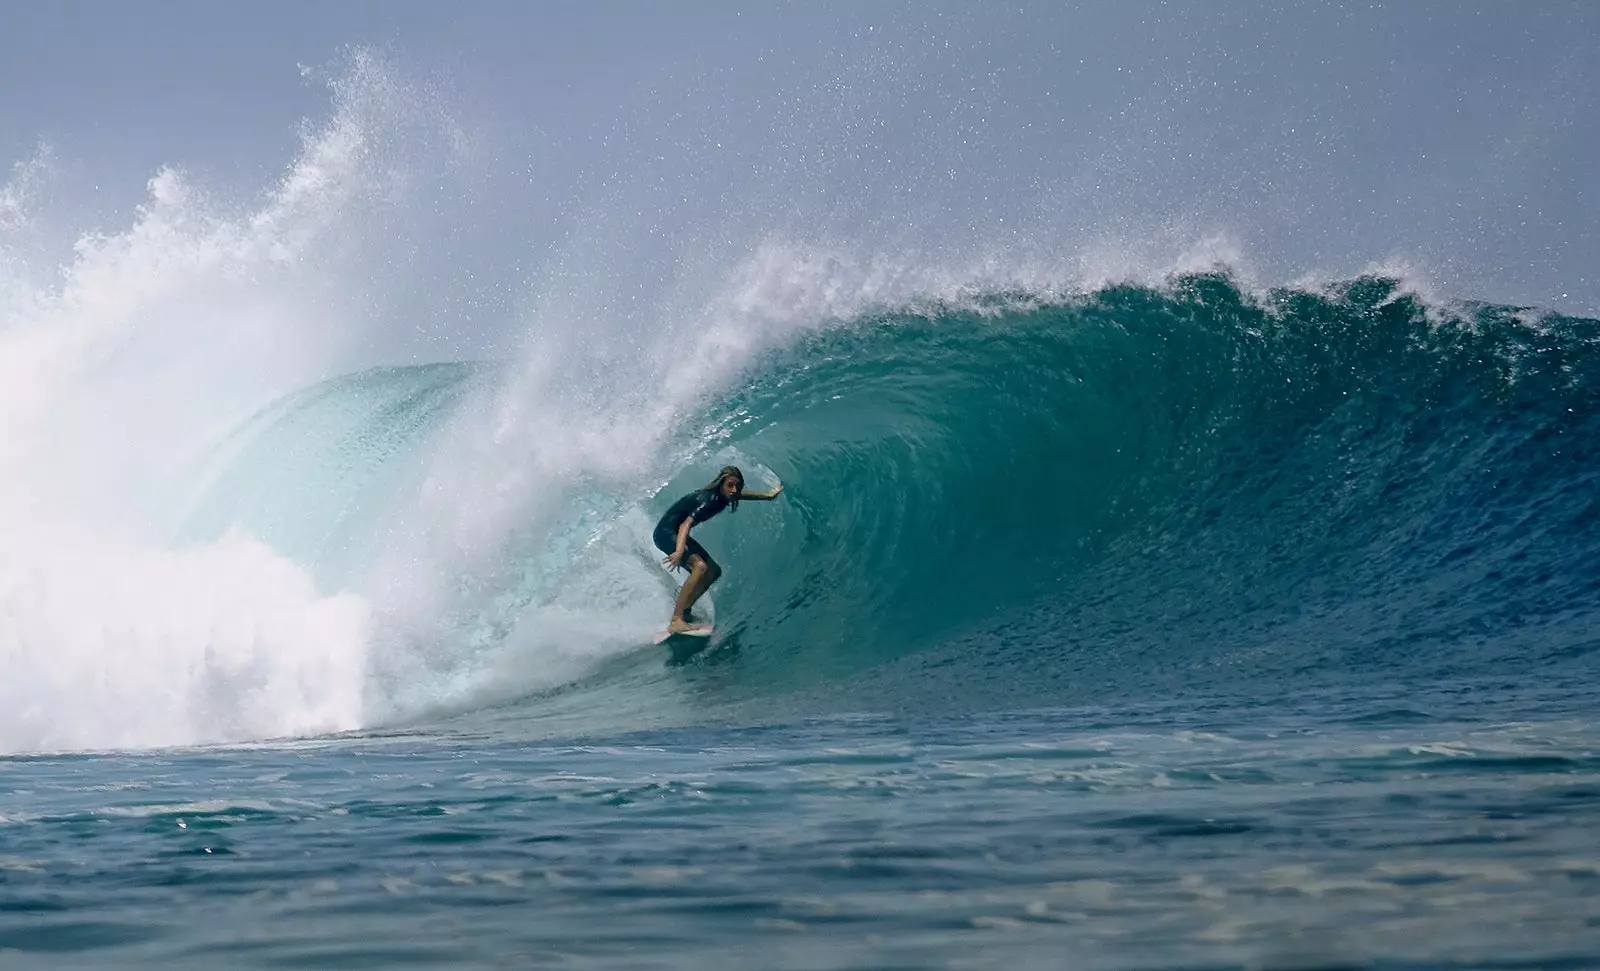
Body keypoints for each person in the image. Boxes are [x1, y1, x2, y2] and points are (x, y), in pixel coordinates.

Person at [652, 465, 783, 634]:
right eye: (730, 485)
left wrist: (768, 496)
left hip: (675, 533)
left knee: (714, 571)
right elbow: (686, 524)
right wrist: (678, 551)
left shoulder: (725, 496)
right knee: (700, 567)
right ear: (721, 484)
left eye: (737, 486)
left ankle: (685, 610)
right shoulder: (709, 501)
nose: (734, 490)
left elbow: (740, 495)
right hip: (666, 533)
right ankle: (676, 620)